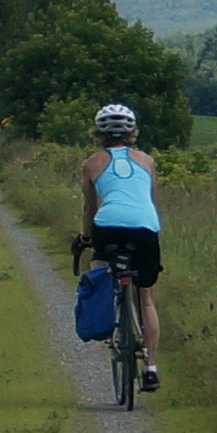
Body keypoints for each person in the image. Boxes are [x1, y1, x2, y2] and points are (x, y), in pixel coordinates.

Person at [80, 103, 163, 391]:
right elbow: (152, 202)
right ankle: (151, 368)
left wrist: (86, 239)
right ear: (132, 132)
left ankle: (106, 317)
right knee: (147, 300)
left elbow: (90, 208)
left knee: (100, 272)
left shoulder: (91, 164)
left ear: (98, 133)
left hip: (108, 226)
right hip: (145, 227)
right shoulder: (147, 161)